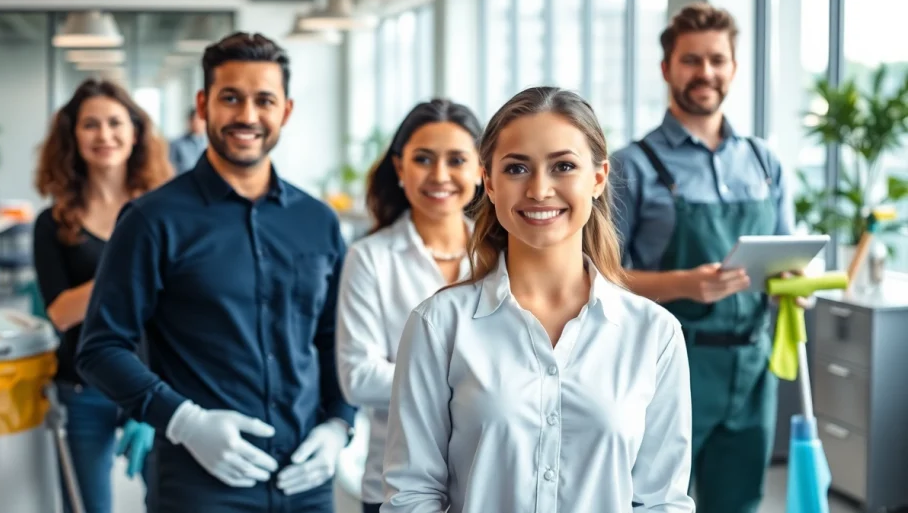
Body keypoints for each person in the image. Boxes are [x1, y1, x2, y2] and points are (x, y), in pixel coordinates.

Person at [74, 32, 357, 513]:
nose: (247, 116)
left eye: (263, 100)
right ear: (204, 104)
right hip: (200, 483)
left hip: (306, 481)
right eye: (231, 98)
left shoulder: (318, 221)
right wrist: (185, 422)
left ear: (285, 111)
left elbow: (336, 339)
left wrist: (339, 425)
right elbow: (100, 348)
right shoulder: (152, 220)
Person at [381, 87, 694, 513]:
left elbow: (662, 502)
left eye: (564, 166)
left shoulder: (654, 334)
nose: (540, 189)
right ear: (488, 182)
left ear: (598, 178)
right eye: (516, 169)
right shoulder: (439, 325)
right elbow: (411, 496)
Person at [609, 2, 798, 513]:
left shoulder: (764, 161)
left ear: (734, 67)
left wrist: (795, 285)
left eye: (717, 59)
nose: (706, 72)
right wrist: (684, 285)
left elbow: (784, 259)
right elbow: (600, 279)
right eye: (691, 60)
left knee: (740, 502)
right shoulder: (632, 166)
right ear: (667, 69)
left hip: (753, 365)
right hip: (670, 364)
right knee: (655, 500)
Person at [336, 98, 484, 513]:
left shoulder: (503, 257)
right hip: (394, 486)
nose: (439, 175)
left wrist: (424, 379)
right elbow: (359, 378)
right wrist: (476, 381)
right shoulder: (369, 258)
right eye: (423, 159)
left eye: (456, 159)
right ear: (400, 169)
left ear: (480, 169)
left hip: (488, 488)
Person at [33, 78, 173, 513]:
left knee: (170, 503)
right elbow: (60, 312)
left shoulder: (165, 211)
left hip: (158, 383)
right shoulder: (53, 222)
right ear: (73, 136)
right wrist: (132, 269)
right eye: (90, 125)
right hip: (83, 387)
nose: (104, 135)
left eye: (115, 122)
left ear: (136, 131)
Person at [168, 108, 208, 173]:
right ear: (189, 122)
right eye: (195, 121)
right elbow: (169, 168)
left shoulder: (210, 144)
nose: (198, 124)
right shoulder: (176, 144)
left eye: (201, 121)